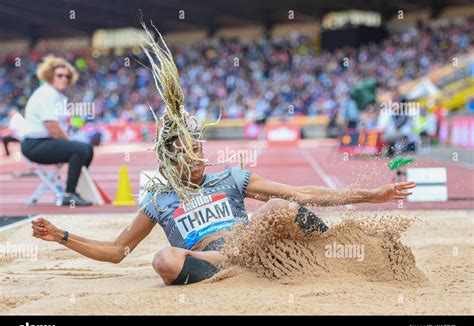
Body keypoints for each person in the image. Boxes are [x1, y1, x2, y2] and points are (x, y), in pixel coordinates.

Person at [30, 24, 416, 286]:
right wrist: (61, 235)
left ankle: (333, 251)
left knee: (280, 206)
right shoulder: (158, 201)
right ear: (170, 161)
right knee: (163, 260)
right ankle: (238, 276)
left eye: (198, 148)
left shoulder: (230, 178)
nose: (197, 157)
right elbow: (117, 251)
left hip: (250, 242)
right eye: (187, 153)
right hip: (216, 262)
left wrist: (371, 195)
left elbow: (301, 194)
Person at [21, 56, 94, 206]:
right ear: (49, 76)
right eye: (59, 75)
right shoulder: (47, 94)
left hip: (46, 142)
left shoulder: (57, 95)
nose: (64, 79)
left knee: (87, 148)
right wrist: (70, 142)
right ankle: (69, 194)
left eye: (67, 76)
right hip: (35, 144)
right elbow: (52, 128)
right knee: (79, 149)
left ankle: (76, 188)